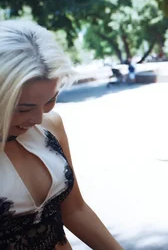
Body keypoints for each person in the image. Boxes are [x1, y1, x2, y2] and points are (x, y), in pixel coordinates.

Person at [0, 20, 122, 249]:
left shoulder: (51, 126)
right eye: (23, 109)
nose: (38, 118)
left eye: (50, 100)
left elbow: (75, 210)